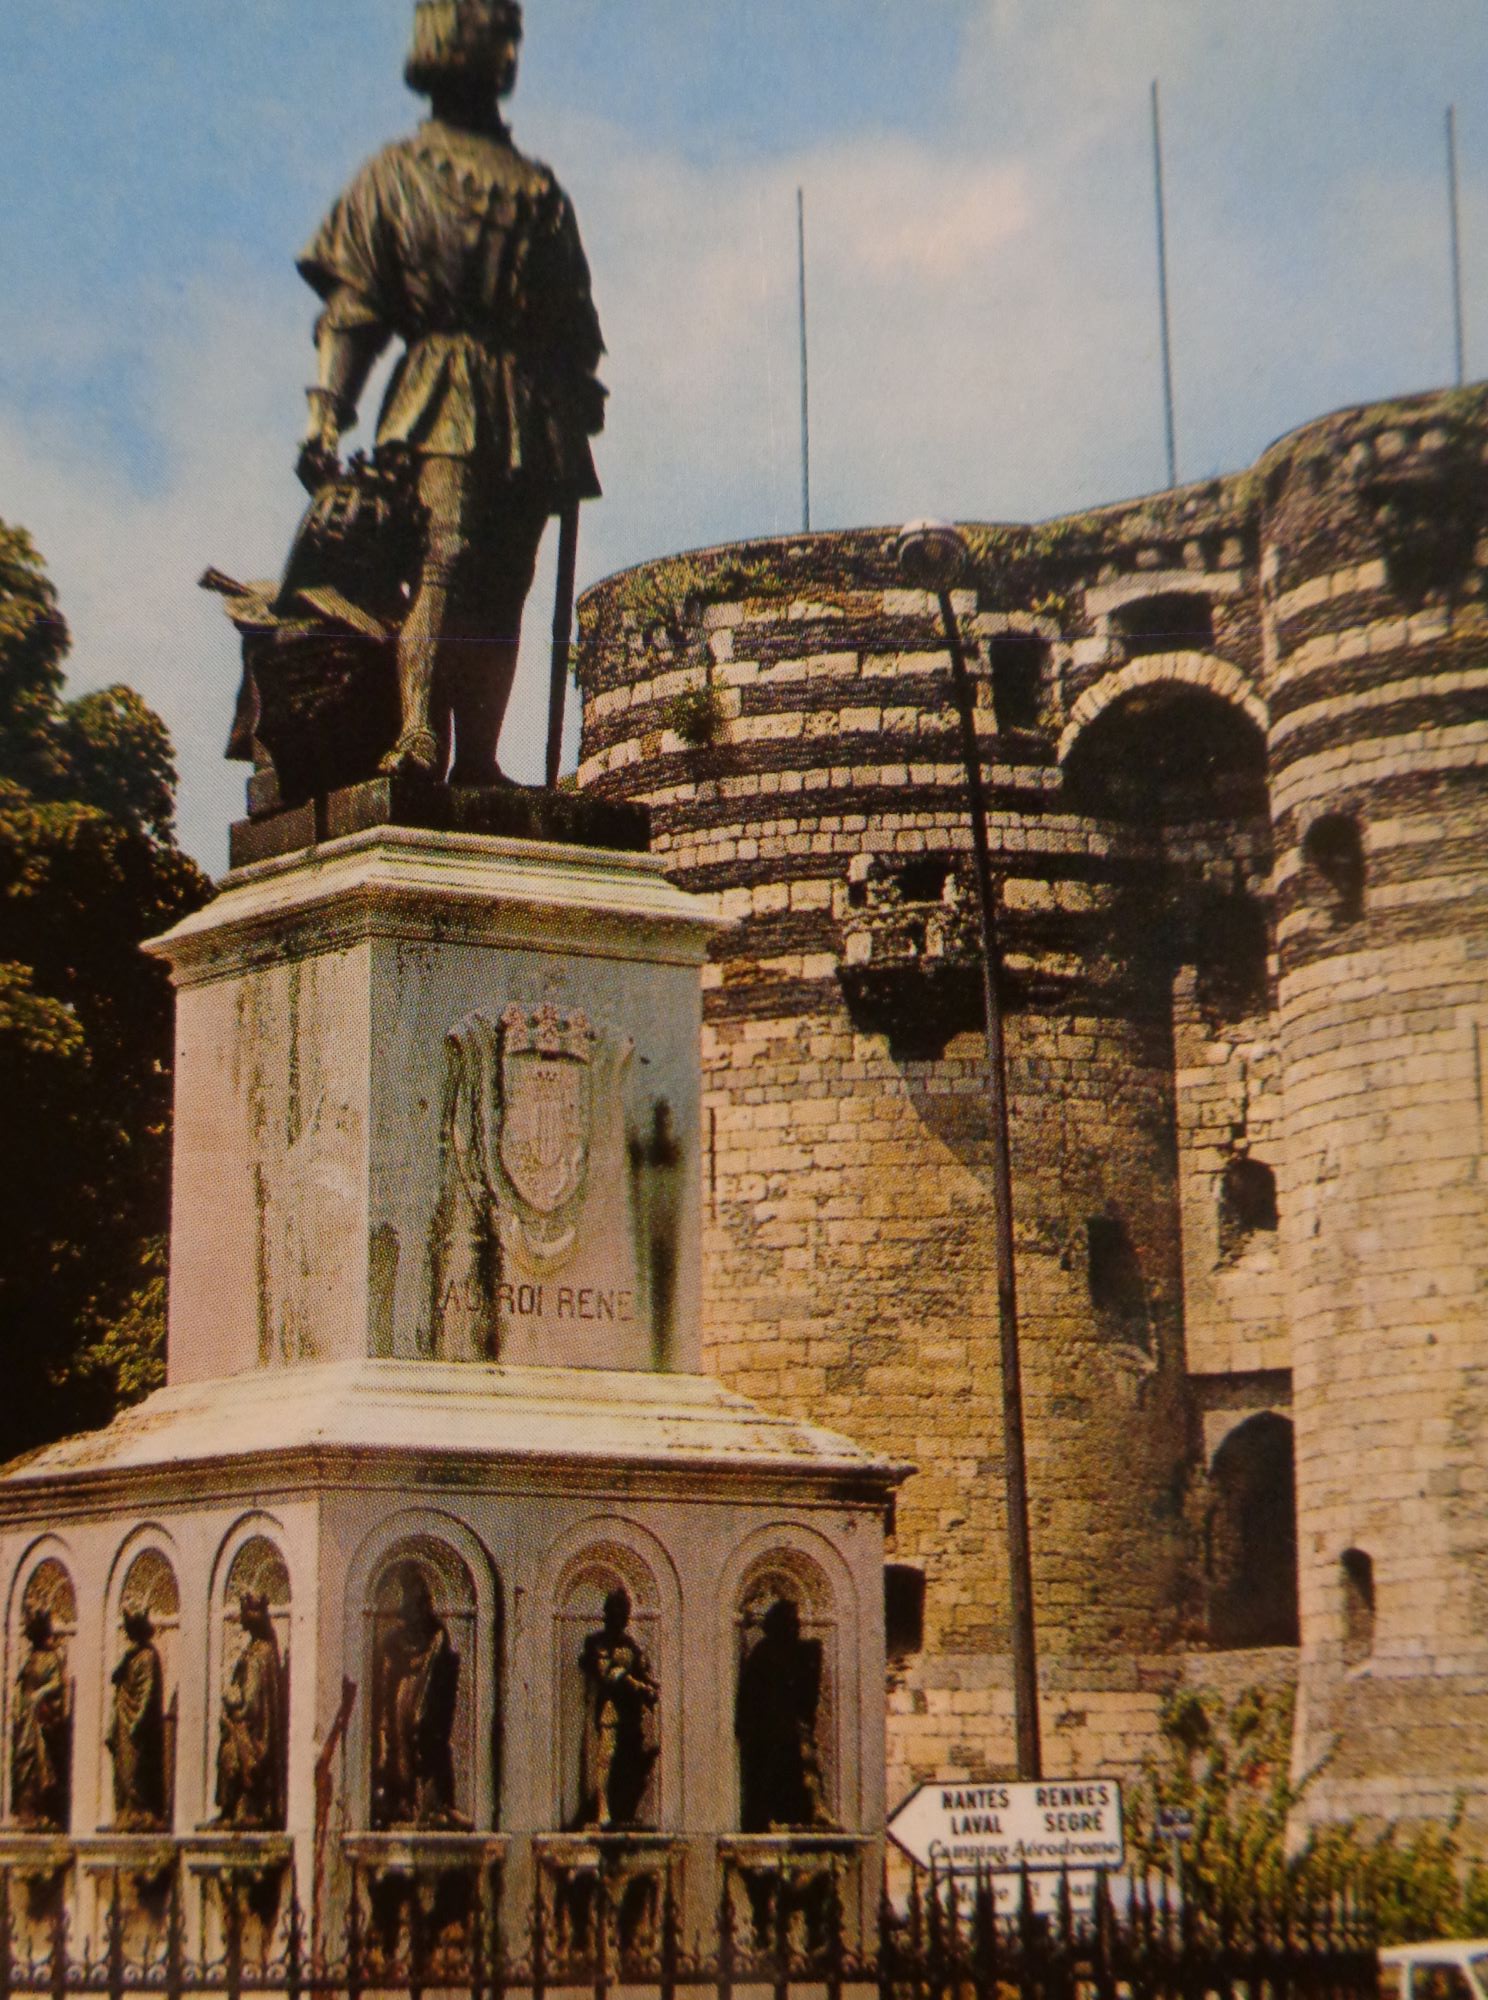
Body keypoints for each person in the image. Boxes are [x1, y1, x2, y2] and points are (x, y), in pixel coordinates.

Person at [295, 0, 605, 784]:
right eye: (486, 32)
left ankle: (481, 761)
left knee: (508, 582)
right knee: (447, 557)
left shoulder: (540, 191)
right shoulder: (395, 174)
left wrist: (578, 391)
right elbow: (356, 309)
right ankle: (416, 736)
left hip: (527, 404)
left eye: (506, 36)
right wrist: (325, 415)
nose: (500, 50)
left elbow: (574, 319)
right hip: (442, 387)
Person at [734, 1598, 835, 1833]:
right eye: (790, 1622)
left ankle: (805, 1815)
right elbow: (750, 1699)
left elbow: (806, 1692)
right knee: (773, 1776)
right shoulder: (764, 1653)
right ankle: (772, 1818)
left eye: (797, 1622)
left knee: (803, 1771)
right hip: (769, 1734)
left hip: (789, 1730)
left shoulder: (798, 1652)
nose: (796, 1627)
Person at [374, 1569, 465, 1828]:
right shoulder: (395, 1640)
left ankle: (436, 1804)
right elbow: (385, 1680)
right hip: (402, 1699)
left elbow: (443, 1673)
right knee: (401, 1749)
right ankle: (405, 1802)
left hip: (429, 1702)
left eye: (422, 1603)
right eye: (414, 1604)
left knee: (430, 1745)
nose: (419, 1610)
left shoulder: (438, 1637)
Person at [576, 1587, 658, 1829]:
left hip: (631, 1714)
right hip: (610, 1710)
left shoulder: (630, 1644)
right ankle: (603, 1810)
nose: (621, 1616)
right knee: (607, 1758)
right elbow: (609, 1672)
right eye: (617, 1610)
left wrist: (652, 1687)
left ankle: (624, 1809)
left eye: (625, 1611)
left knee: (630, 1761)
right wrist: (639, 1686)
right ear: (607, 1613)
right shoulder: (597, 1641)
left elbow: (642, 1669)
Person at [214, 1592, 287, 1830]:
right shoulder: (257, 1650)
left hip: (254, 1732)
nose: (240, 1618)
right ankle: (234, 1810)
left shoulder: (260, 1654)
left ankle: (243, 1809)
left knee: (229, 1755)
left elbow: (253, 1702)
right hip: (247, 1727)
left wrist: (234, 1709)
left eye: (244, 1613)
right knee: (228, 1754)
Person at [107, 1605, 168, 1830]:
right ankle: (126, 1810)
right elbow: (117, 1680)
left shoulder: (149, 1656)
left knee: (137, 1770)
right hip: (123, 1720)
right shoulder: (130, 1657)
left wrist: (137, 1721)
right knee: (123, 1770)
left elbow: (147, 1692)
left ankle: (141, 1812)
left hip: (137, 1726)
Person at [10, 1607, 70, 1831]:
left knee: (45, 1766)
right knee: (25, 1762)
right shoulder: (31, 1658)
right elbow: (21, 1685)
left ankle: (46, 1813)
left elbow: (57, 1683)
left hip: (44, 1721)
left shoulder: (52, 1657)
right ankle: (27, 1811)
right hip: (27, 1721)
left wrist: (40, 1694)